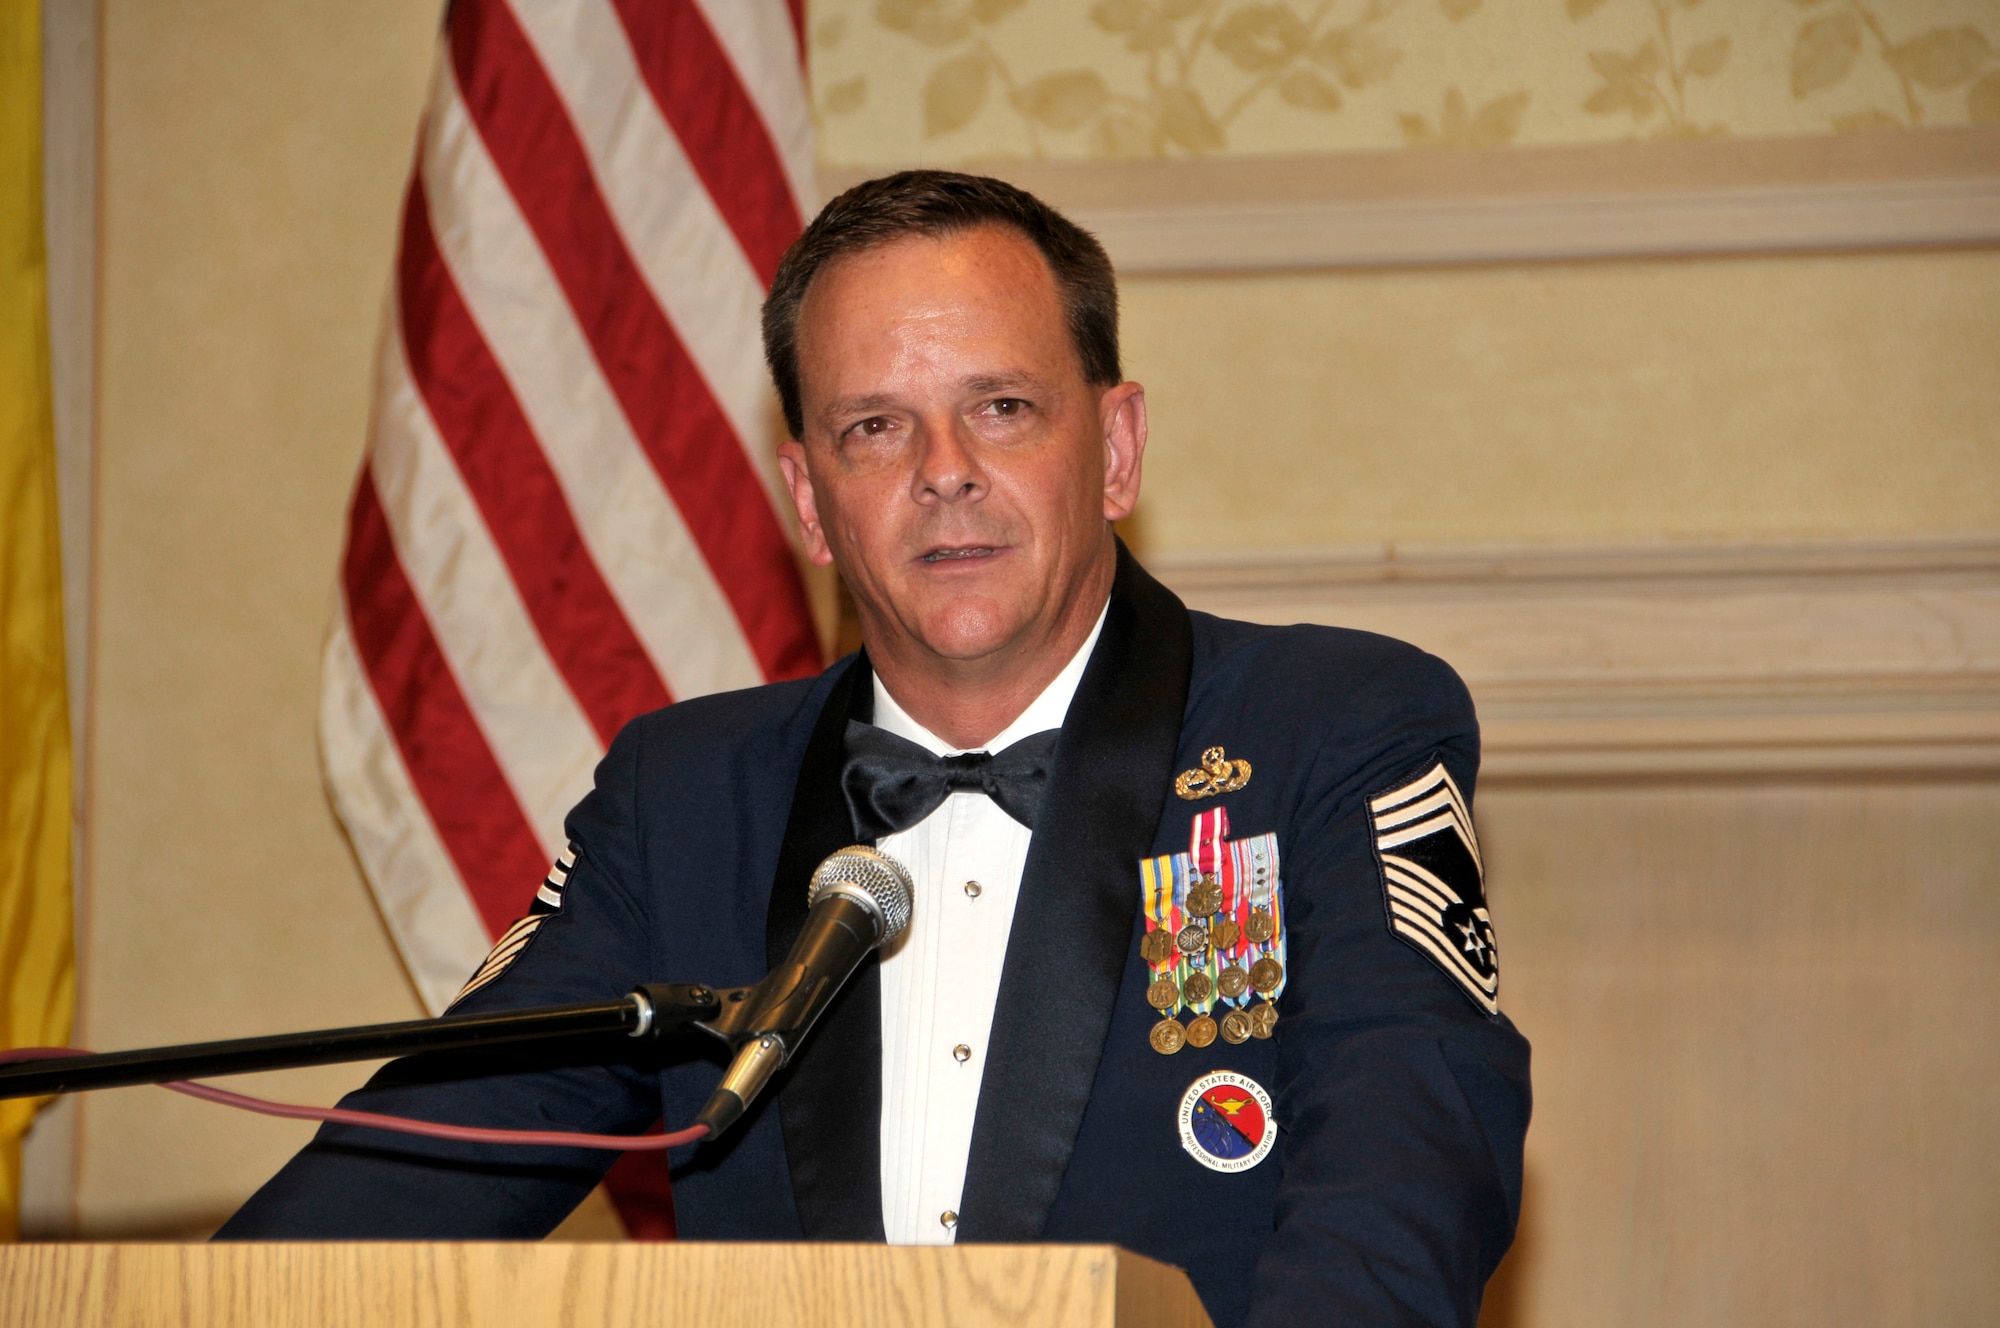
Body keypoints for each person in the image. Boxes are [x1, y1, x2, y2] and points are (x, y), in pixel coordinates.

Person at [221, 171, 1530, 1328]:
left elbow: (1406, 1166)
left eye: (1003, 407)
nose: (943, 471)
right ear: (807, 499)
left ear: (1118, 445)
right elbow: (431, 1157)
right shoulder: (684, 801)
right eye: (873, 427)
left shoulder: (1332, 724)